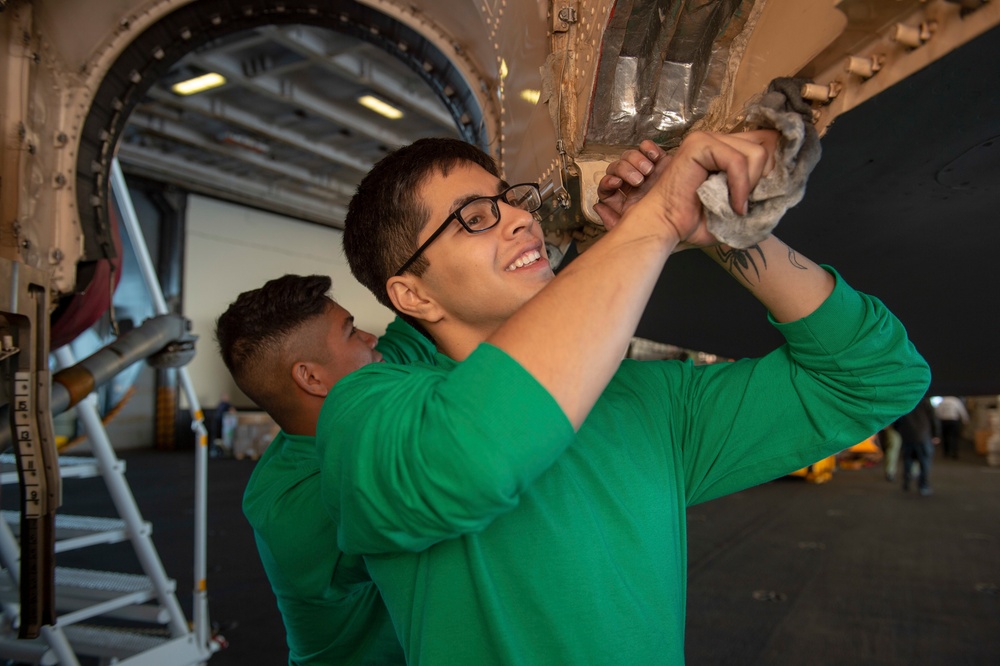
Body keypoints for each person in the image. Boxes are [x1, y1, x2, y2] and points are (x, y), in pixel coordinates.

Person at [320, 133, 930, 664]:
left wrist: (720, 225)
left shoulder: (649, 401)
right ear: (414, 295)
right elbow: (467, 460)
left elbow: (877, 375)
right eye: (476, 217)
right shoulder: (366, 414)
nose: (521, 219)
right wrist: (654, 221)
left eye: (511, 199)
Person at [215, 274, 435, 665]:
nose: (371, 339)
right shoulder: (290, 508)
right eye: (352, 333)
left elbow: (421, 324)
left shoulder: (367, 377)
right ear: (312, 377)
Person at [896, 396, 940, 496]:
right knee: (924, 462)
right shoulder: (925, 400)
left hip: (908, 436)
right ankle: (923, 486)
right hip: (923, 436)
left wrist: (901, 431)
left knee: (908, 460)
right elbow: (933, 417)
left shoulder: (905, 399)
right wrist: (936, 434)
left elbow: (897, 420)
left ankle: (906, 482)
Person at [934, 395, 969, 459]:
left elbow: (937, 411)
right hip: (953, 420)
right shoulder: (956, 400)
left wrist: (939, 418)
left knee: (945, 437)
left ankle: (946, 452)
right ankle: (954, 453)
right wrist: (965, 420)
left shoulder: (942, 401)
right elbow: (961, 411)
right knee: (954, 437)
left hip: (944, 421)